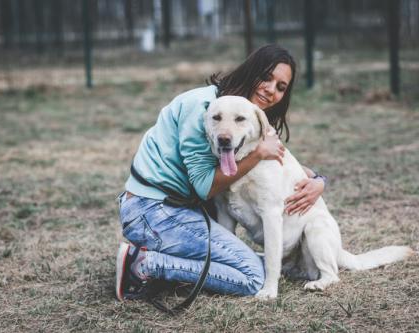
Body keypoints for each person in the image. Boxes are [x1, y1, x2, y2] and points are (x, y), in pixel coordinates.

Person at [115, 44, 327, 301]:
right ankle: (145, 265)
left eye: (281, 87)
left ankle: (162, 267)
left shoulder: (241, 113)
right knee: (252, 277)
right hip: (152, 210)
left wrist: (317, 180)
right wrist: (259, 153)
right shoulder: (204, 108)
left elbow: (279, 160)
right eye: (266, 77)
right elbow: (207, 186)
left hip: (174, 209)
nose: (271, 90)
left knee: (248, 264)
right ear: (250, 72)